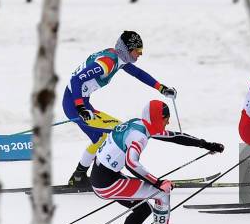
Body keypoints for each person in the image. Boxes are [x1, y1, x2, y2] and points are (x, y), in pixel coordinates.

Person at [91, 100, 224, 224]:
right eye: (166, 119)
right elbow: (131, 163)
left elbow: (175, 136)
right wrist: (158, 183)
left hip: (103, 177)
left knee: (143, 209)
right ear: (158, 119)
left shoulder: (139, 124)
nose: (168, 122)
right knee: (161, 193)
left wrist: (205, 144)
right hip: (107, 183)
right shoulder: (139, 136)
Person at [62, 31, 177, 189]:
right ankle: (91, 175)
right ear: (127, 50)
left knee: (108, 135)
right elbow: (76, 80)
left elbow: (138, 73)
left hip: (81, 102)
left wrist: (161, 88)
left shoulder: (119, 58)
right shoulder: (107, 63)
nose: (140, 54)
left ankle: (79, 176)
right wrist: (81, 108)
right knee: (113, 133)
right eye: (137, 50)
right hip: (74, 104)